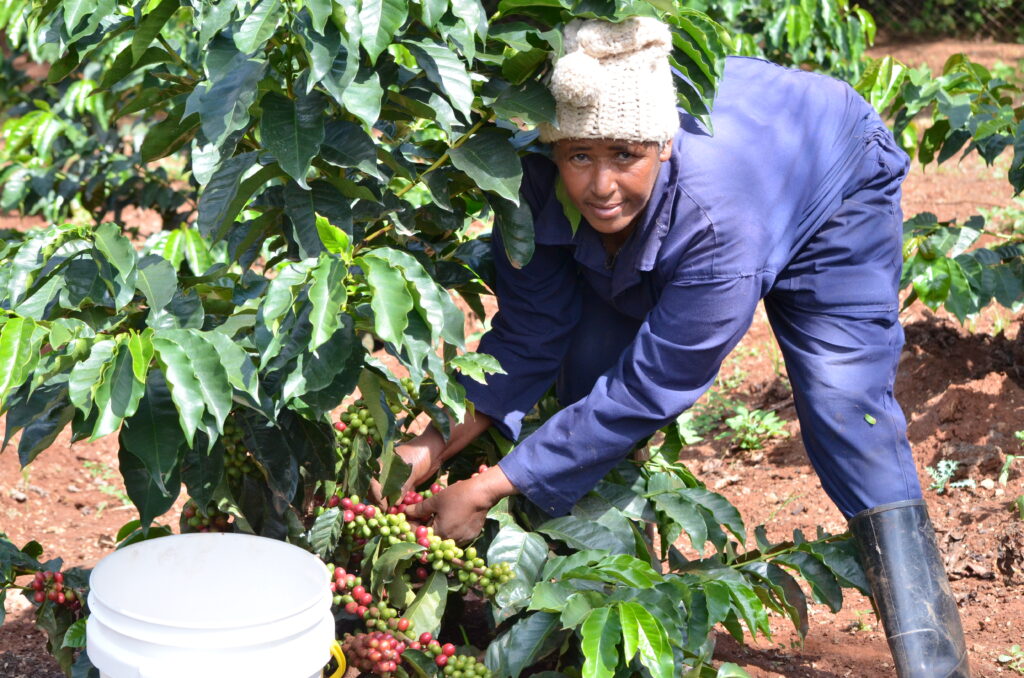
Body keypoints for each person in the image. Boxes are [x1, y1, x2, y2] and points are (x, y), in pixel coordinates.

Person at [387, 16, 969, 678]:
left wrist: (490, 484)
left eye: (624, 157)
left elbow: (651, 384)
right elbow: (526, 336)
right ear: (553, 151)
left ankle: (933, 659)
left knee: (844, 407)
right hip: (723, 176)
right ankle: (579, 600)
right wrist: (426, 445)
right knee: (586, 365)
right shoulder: (531, 185)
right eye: (580, 157)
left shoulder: (718, 227)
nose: (600, 186)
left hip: (829, 174)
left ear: (663, 145)